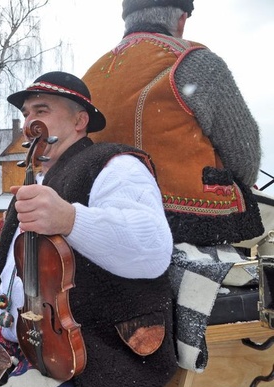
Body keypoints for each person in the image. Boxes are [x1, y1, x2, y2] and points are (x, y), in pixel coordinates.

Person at [0, 71, 177, 387]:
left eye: (42, 110)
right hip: (29, 344)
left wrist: (71, 219)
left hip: (97, 355)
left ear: (79, 120)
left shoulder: (115, 166)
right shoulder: (36, 183)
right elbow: (24, 271)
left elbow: (153, 250)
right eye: (26, 114)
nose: (29, 123)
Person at [82, 0, 264, 248]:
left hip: (101, 220)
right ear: (182, 19)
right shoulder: (194, 62)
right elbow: (243, 155)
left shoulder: (92, 73)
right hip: (185, 225)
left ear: (127, 19)